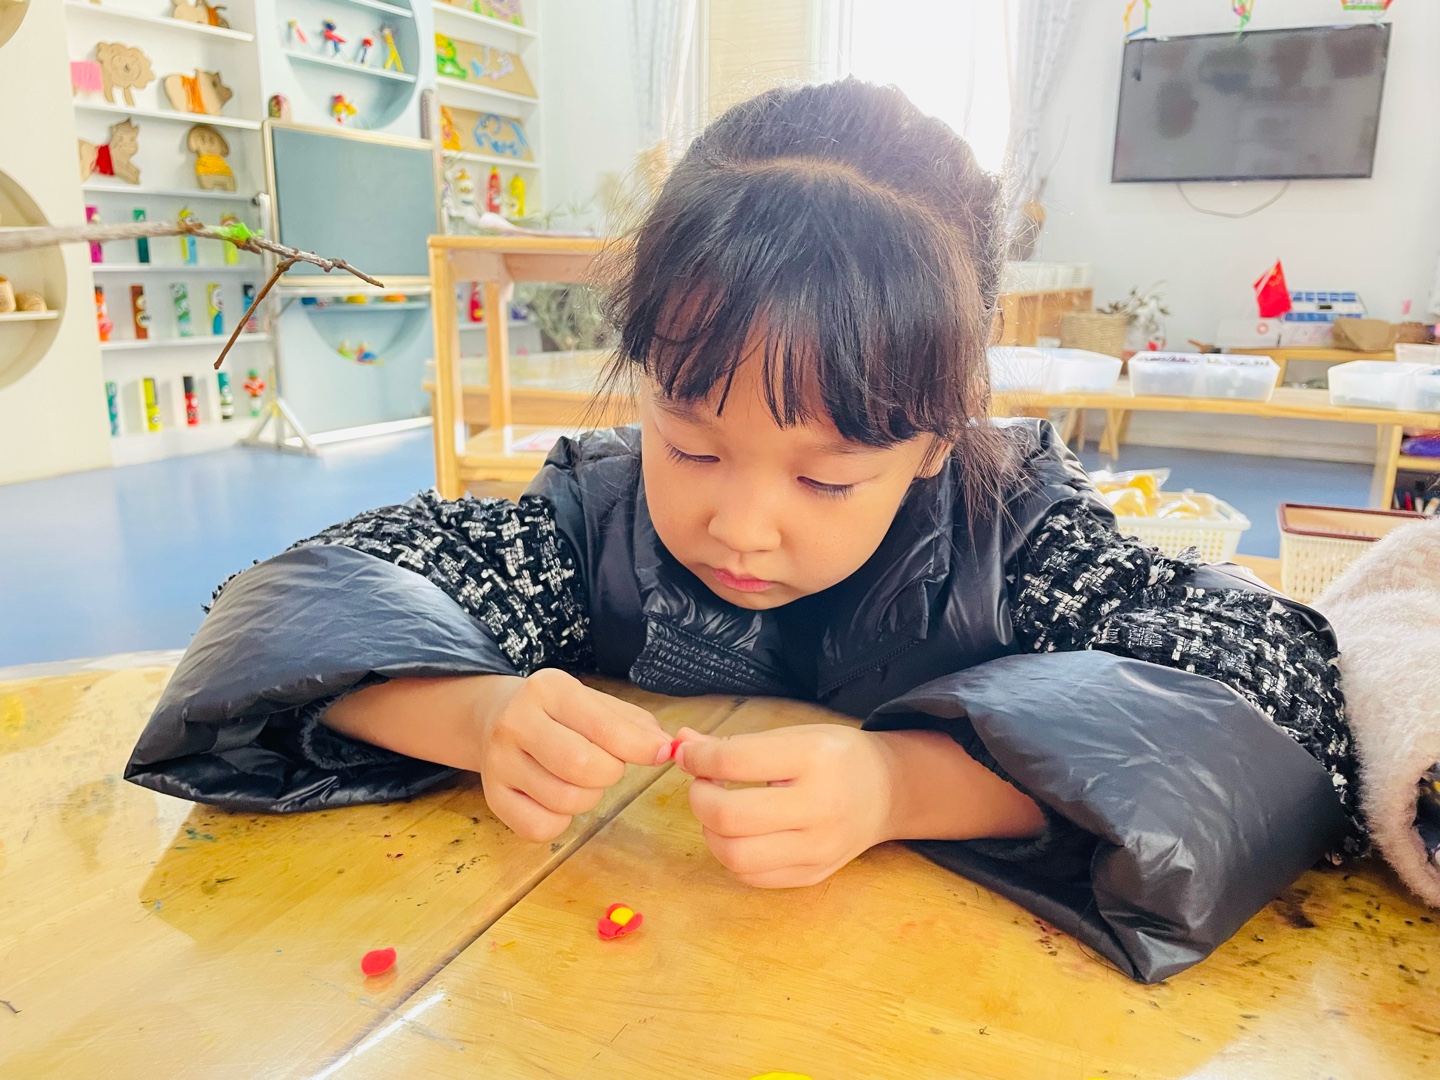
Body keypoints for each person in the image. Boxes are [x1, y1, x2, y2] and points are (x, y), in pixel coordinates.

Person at [126, 79, 1364, 983]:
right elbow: (300, 603)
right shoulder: (597, 524)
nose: (742, 523)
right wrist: (478, 718)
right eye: (693, 444)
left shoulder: (1015, 540)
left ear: (938, 438)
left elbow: (1272, 698)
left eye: (827, 477)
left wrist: (902, 786)